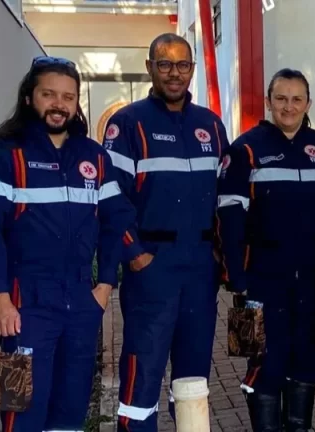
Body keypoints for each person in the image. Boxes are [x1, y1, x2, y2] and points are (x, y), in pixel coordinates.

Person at [0, 56, 137, 431]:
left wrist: (105, 285)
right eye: (49, 94)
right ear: (30, 97)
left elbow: (115, 221)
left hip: (81, 303)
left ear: (77, 103)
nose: (59, 104)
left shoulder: (93, 155)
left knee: (71, 411)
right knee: (16, 410)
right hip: (22, 305)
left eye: (68, 96)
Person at [103, 33, 229, 431]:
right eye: (165, 64)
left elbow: (226, 195)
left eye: (183, 65)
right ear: (150, 68)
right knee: (144, 370)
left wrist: (223, 257)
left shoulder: (209, 124)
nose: (175, 73)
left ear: (192, 70)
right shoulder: (128, 123)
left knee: (193, 378)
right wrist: (135, 254)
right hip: (152, 267)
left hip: (199, 267)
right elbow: (109, 197)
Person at [216, 68, 315, 432]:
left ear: (308, 103)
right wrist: (237, 276)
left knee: (307, 358)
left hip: (312, 280)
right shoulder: (245, 150)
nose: (288, 106)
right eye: (280, 98)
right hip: (262, 280)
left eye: (297, 98)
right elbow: (228, 218)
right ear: (268, 102)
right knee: (267, 363)